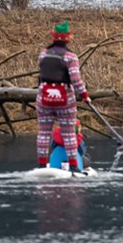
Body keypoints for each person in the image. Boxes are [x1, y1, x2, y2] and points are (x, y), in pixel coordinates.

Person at [36, 21, 92, 174]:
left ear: (54, 38)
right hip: (65, 100)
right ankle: (74, 165)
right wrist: (85, 96)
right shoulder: (70, 57)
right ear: (68, 39)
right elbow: (76, 80)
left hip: (43, 98)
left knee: (43, 132)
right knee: (68, 133)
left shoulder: (43, 54)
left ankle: (42, 165)